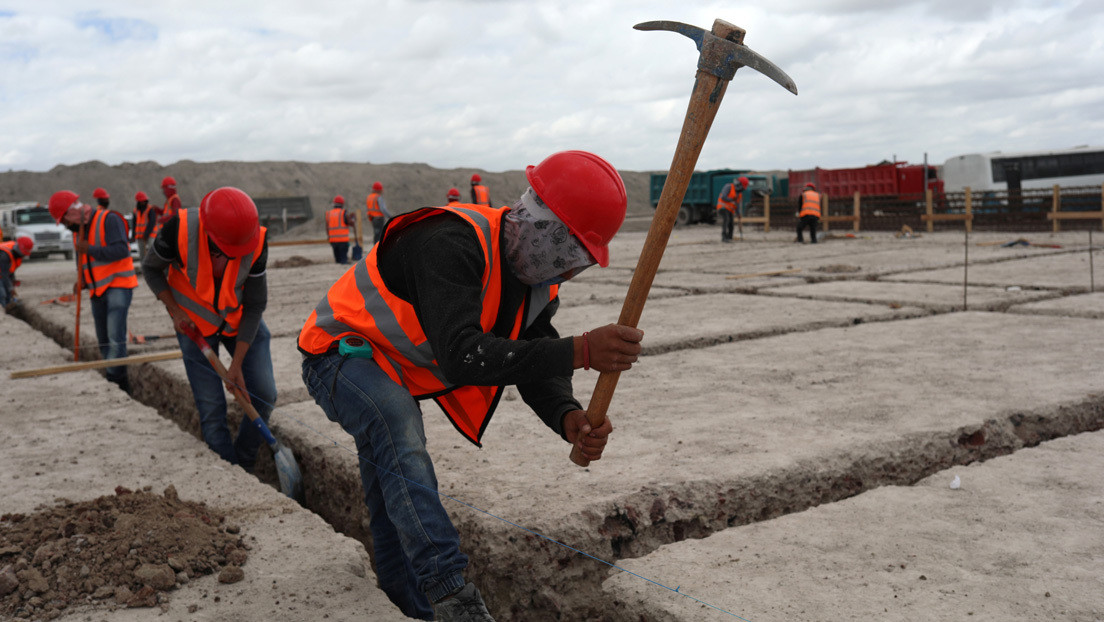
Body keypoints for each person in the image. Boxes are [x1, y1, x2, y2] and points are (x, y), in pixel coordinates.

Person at [298, 150, 644, 621]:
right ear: (547, 230)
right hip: (337, 353)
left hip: (390, 368)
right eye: (572, 256)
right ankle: (451, 596)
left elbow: (537, 358)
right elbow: (463, 354)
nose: (570, 273)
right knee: (397, 421)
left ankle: (405, 603)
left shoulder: (534, 276)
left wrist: (568, 416)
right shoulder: (450, 241)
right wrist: (582, 350)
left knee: (389, 485)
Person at [142, 186, 277, 472]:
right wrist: (175, 310)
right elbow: (150, 269)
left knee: (264, 393)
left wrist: (236, 364)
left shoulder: (256, 241)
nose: (231, 257)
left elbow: (255, 305)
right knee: (211, 407)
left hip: (239, 319)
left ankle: (245, 461)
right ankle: (229, 471)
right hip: (193, 325)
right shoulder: (177, 230)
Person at [49, 190, 137, 393]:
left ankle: (118, 383)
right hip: (97, 291)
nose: (64, 226)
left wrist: (90, 249)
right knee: (104, 341)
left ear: (71, 213)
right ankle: (113, 378)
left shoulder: (110, 219)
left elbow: (121, 251)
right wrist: (81, 280)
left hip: (118, 287)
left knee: (116, 338)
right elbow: (86, 262)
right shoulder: (78, 230)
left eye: (64, 221)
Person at [0, 236, 33, 310]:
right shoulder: (4, 256)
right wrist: (11, 288)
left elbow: (10, 271)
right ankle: (4, 312)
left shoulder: (15, 254)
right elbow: (4, 275)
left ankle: (8, 308)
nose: (24, 256)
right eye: (24, 253)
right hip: (2, 274)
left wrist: (13, 281)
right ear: (19, 250)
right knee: (2, 294)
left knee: (8, 293)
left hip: (2, 274)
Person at [716, 176, 747, 243]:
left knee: (731, 223)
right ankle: (724, 237)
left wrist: (738, 214)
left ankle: (729, 237)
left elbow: (737, 205)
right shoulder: (728, 186)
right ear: (739, 184)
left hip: (730, 210)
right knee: (726, 219)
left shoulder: (739, 194)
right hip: (722, 207)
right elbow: (724, 197)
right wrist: (732, 200)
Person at [326, 195, 355, 264]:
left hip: (333, 240)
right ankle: (344, 261)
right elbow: (350, 223)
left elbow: (327, 227)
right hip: (342, 240)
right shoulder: (343, 213)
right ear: (342, 204)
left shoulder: (329, 213)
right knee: (343, 259)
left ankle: (339, 261)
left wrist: (329, 237)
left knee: (337, 259)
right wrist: (353, 219)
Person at [152, 176, 182, 241]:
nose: (163, 192)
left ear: (168, 188)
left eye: (164, 189)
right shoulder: (169, 200)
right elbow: (165, 213)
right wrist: (158, 210)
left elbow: (175, 215)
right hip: (168, 228)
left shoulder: (175, 199)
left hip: (172, 230)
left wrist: (162, 220)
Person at [131, 191, 155, 261]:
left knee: (151, 253)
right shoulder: (135, 211)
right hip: (140, 237)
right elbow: (134, 224)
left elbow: (152, 222)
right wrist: (133, 235)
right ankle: (144, 270)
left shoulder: (150, 210)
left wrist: (146, 233)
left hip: (150, 235)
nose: (143, 203)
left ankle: (152, 269)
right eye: (142, 201)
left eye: (144, 201)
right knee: (142, 255)